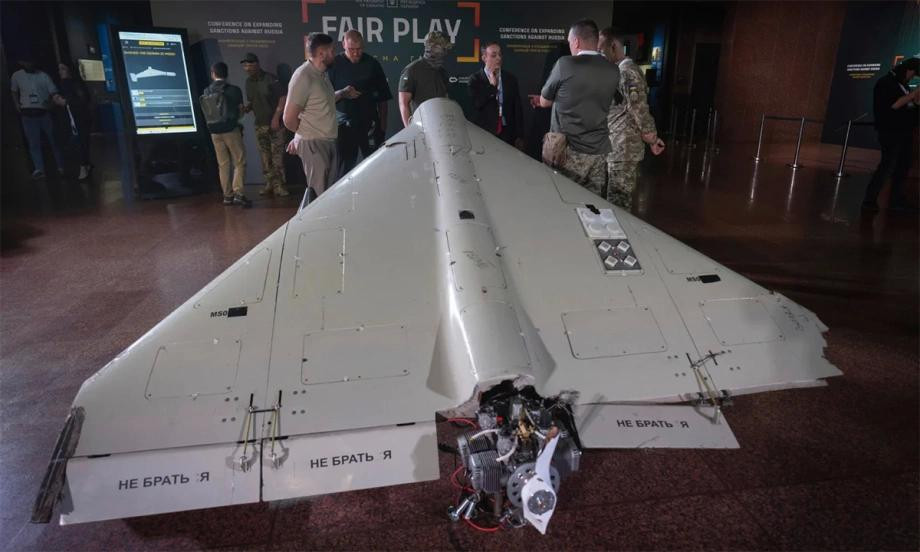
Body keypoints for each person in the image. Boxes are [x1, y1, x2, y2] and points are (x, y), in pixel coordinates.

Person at [529, 20, 619, 197]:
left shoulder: (565, 64)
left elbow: (545, 101)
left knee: (564, 198)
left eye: (570, 41)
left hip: (568, 152)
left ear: (576, 42)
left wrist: (552, 99)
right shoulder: (613, 70)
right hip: (599, 151)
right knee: (593, 202)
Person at [598, 27, 665, 209]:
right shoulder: (618, 71)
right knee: (613, 198)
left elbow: (639, 109)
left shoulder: (629, 72)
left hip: (624, 147)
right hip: (616, 145)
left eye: (601, 49)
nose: (600, 54)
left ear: (613, 46)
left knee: (618, 201)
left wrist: (652, 138)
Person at [327, 30, 393, 176]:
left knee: (375, 167)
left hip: (369, 124)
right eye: (352, 49)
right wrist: (342, 93)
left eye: (359, 49)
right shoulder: (333, 65)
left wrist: (382, 127)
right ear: (344, 45)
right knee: (344, 169)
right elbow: (323, 99)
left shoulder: (372, 64)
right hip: (343, 126)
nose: (356, 53)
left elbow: (383, 98)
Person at [283, 32, 338, 202]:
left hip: (326, 142)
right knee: (318, 198)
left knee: (327, 195)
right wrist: (301, 137)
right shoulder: (303, 76)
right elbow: (288, 119)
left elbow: (319, 103)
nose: (334, 54)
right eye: (332, 51)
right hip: (314, 145)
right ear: (322, 54)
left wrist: (342, 93)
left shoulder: (321, 74)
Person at [862, 57, 919, 212]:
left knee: (902, 166)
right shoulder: (886, 83)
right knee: (887, 166)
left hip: (905, 132)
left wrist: (915, 102)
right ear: (908, 70)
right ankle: (869, 200)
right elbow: (892, 106)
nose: (912, 78)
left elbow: (908, 108)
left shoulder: (904, 86)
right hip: (891, 132)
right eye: (913, 74)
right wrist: (913, 96)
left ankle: (896, 200)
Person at [201, 61, 251, 207]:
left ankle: (227, 196)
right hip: (231, 130)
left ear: (213, 74)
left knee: (223, 164)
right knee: (239, 161)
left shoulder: (207, 91)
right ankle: (238, 194)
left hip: (214, 132)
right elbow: (240, 111)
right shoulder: (234, 90)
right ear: (227, 73)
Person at [240, 52, 290, 197]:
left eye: (250, 65)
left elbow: (283, 98)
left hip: (275, 125)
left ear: (257, 64)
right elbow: (253, 100)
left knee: (277, 157)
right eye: (245, 65)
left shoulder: (270, 79)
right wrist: (247, 108)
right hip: (259, 125)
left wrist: (276, 117)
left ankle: (279, 186)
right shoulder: (248, 82)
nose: (247, 68)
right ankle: (270, 184)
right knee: (265, 157)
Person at [10, 55, 65, 179]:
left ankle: (60, 166)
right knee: (34, 143)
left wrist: (51, 103)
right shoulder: (17, 76)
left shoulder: (43, 76)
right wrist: (17, 104)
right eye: (26, 62)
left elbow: (53, 92)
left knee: (53, 140)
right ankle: (40, 168)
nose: (29, 64)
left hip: (43, 111)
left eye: (31, 62)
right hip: (28, 113)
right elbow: (14, 91)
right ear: (22, 62)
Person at [468, 41, 525, 149]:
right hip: (484, 133)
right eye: (494, 55)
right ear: (484, 58)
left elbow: (517, 108)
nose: (498, 58)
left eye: (500, 54)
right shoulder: (475, 79)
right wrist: (492, 87)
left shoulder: (510, 79)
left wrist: (520, 135)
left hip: (507, 133)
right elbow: (477, 104)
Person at [398, 31, 451, 127]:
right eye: (443, 48)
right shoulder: (412, 70)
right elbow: (403, 104)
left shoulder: (442, 72)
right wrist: (410, 130)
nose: (445, 52)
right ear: (432, 47)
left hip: (441, 126)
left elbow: (445, 99)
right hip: (420, 125)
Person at [57, 61, 94, 180]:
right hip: (73, 117)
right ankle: (85, 164)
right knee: (80, 142)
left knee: (81, 142)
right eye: (59, 69)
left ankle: (84, 166)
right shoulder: (65, 83)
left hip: (80, 117)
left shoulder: (74, 83)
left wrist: (65, 101)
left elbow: (83, 99)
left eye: (63, 69)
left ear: (69, 70)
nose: (60, 72)